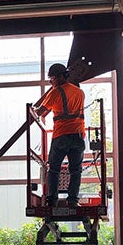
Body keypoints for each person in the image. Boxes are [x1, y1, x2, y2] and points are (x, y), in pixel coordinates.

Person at [34, 62, 86, 208]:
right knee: (76, 170)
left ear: (58, 77)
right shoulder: (79, 92)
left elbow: (41, 112)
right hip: (78, 135)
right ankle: (73, 200)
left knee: (54, 169)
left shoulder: (55, 92)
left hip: (61, 135)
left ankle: (52, 200)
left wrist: (33, 108)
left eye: (51, 79)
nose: (51, 82)